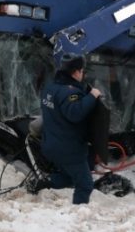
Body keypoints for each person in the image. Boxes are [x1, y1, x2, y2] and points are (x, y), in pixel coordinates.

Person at [35, 53, 101, 204]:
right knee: (85, 184)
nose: (83, 74)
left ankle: (46, 181)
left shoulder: (50, 87)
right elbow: (75, 113)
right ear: (76, 72)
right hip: (69, 149)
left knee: (69, 176)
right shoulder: (69, 92)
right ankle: (78, 215)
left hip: (51, 144)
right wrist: (92, 96)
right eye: (82, 71)